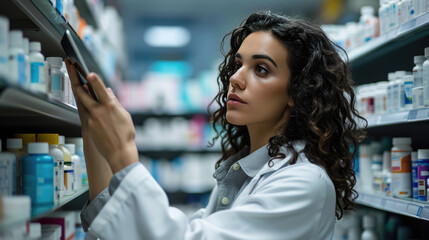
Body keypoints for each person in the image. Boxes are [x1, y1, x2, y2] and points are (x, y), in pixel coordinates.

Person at [66, 10, 366, 240]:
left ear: (296, 92)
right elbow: (120, 227)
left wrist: (124, 154)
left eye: (261, 69)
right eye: (238, 64)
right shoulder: (248, 172)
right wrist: (92, 129)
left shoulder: (304, 183)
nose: (235, 78)